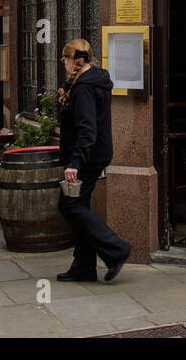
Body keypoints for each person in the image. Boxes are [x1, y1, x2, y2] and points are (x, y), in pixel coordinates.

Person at [56, 39, 132, 282]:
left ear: (72, 60)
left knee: (70, 206)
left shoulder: (85, 88)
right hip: (95, 153)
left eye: (64, 59)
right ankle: (83, 267)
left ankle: (116, 249)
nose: (63, 64)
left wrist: (75, 163)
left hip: (87, 156)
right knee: (80, 206)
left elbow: (87, 129)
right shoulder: (95, 79)